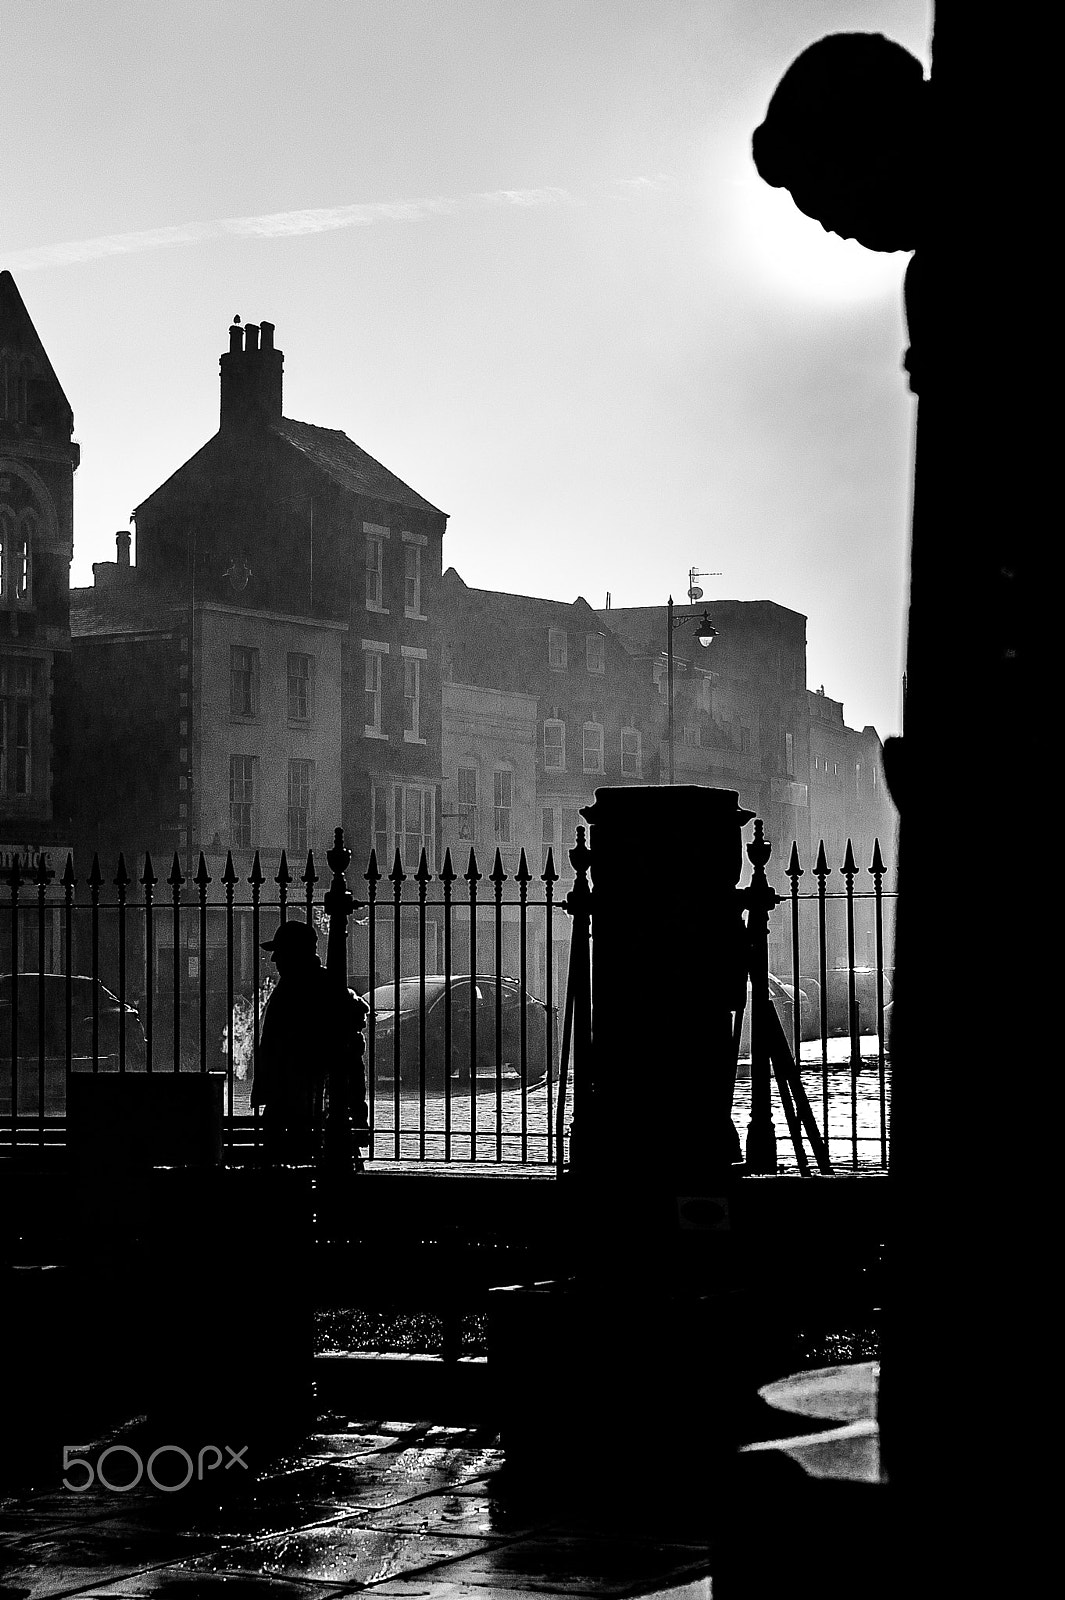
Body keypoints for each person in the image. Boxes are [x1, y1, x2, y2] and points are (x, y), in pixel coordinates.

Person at [250, 918, 369, 1167]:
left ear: (295, 953)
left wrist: (357, 1110)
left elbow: (345, 1055)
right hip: (299, 1102)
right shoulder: (310, 986)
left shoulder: (308, 989)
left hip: (303, 1103)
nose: (274, 960)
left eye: (279, 952)